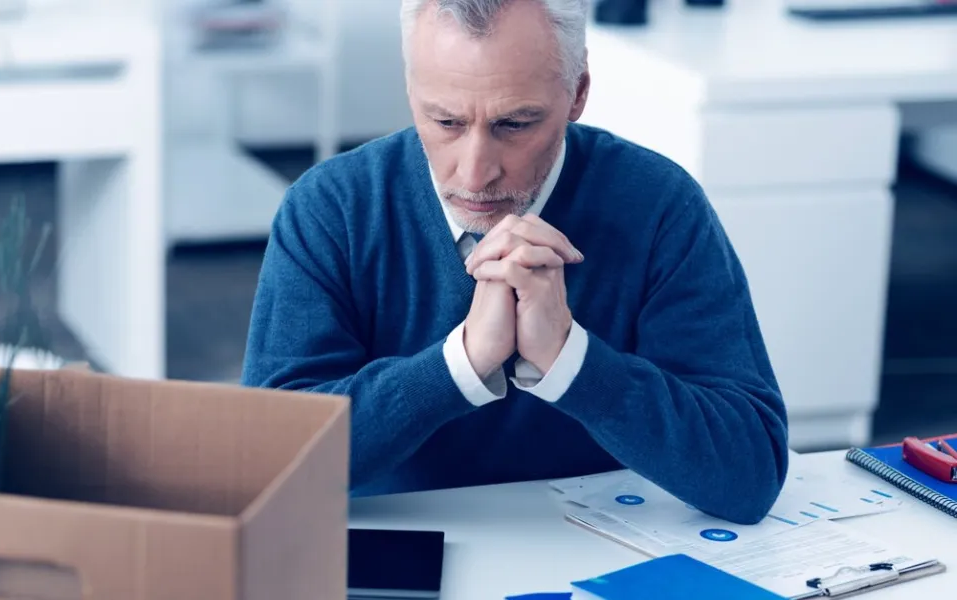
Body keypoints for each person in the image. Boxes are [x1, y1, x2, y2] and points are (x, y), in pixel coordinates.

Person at [240, 0, 788, 524]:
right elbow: (266, 468)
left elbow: (749, 476)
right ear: (410, 90)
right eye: (446, 122)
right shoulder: (331, 209)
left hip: (601, 557)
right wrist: (458, 365)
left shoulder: (660, 205)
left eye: (515, 125)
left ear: (577, 94)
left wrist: (571, 359)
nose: (476, 174)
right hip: (395, 561)